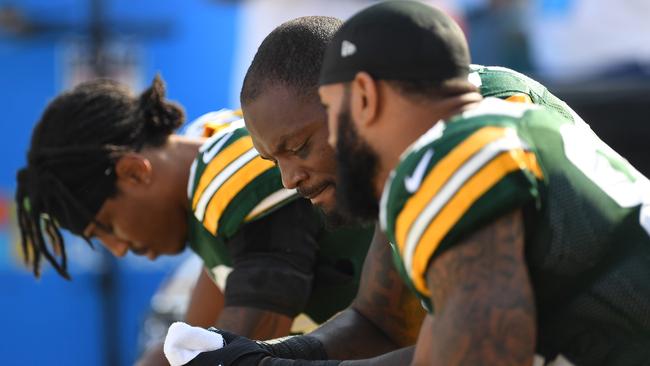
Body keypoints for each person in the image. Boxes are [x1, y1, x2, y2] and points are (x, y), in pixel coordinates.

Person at [170, 2, 650, 366]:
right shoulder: (472, 129)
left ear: (364, 97)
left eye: (327, 124)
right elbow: (381, 321)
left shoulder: (457, 153)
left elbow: (479, 356)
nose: (290, 177)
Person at [15, 70, 373, 365]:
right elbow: (194, 331)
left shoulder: (227, 188)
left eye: (107, 227)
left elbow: (229, 352)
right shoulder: (209, 161)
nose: (119, 249)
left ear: (135, 173)